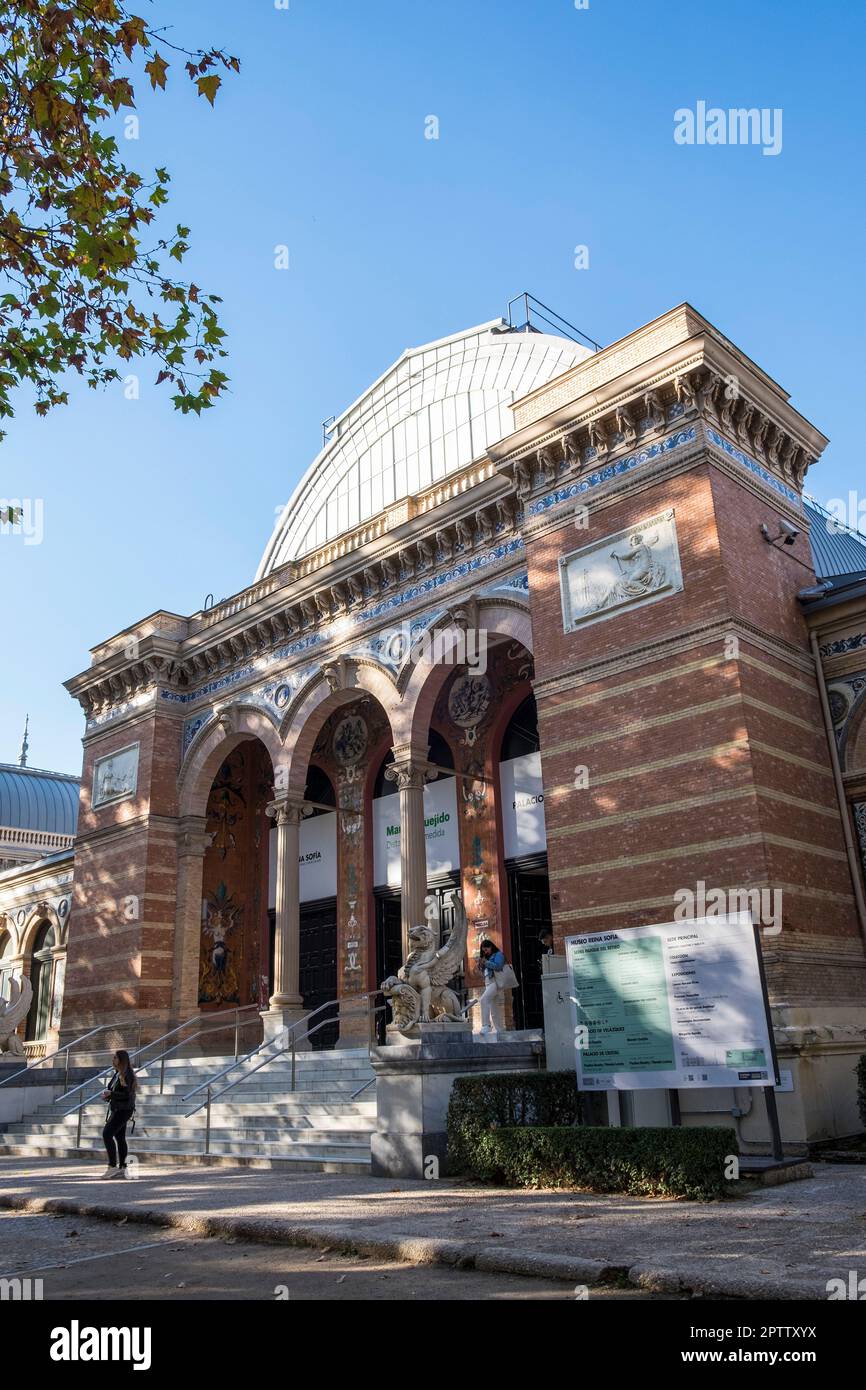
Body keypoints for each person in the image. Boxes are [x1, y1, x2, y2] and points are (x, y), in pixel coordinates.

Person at [99, 1050, 136, 1179]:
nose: (112, 1060)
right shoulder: (117, 1074)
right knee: (120, 1138)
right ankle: (123, 1168)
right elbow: (114, 1091)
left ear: (121, 1060)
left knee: (107, 1134)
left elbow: (127, 1095)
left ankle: (112, 1166)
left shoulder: (127, 1075)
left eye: (115, 1058)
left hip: (124, 1110)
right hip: (117, 1108)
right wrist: (108, 1096)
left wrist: (111, 1094)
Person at [477, 939, 506, 1035]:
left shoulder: (498, 954)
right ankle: (500, 1030)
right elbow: (484, 972)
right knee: (494, 1008)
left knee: (483, 1000)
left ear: (491, 947)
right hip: (488, 982)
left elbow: (498, 966)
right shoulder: (487, 957)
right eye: (484, 950)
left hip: (495, 982)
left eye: (487, 949)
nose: (485, 952)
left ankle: (486, 1026)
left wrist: (486, 962)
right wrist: (480, 964)